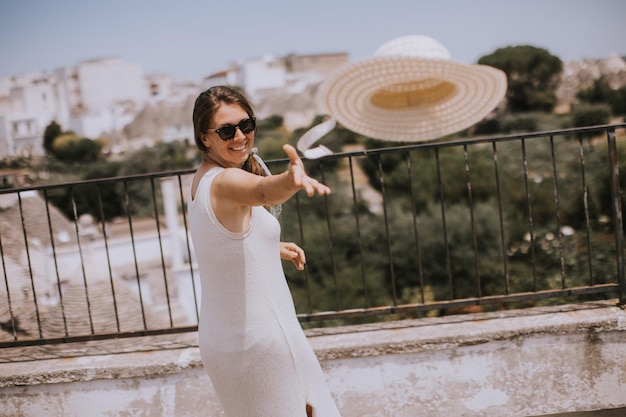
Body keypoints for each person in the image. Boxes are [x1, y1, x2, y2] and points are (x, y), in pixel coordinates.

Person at [188, 85, 342, 417]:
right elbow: (262, 191)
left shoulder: (201, 180)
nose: (240, 136)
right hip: (261, 341)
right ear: (205, 138)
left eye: (246, 124)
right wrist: (291, 179)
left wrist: (269, 246)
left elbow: (224, 241)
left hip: (226, 343)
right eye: (226, 130)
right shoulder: (226, 181)